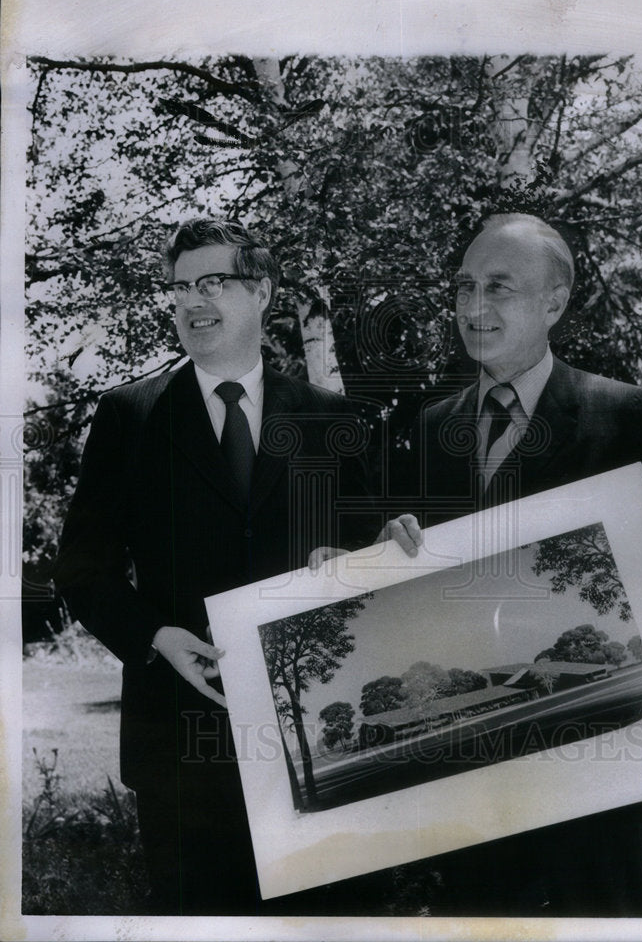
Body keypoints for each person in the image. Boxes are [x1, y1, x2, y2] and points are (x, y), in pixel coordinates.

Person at [389, 211, 642, 916]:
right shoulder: (432, 429)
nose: (473, 307)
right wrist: (395, 546)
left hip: (601, 744)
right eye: (465, 287)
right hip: (476, 759)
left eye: (499, 288)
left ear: (554, 301)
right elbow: (425, 579)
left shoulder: (622, 413)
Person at [52, 218, 388, 914]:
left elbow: (368, 558)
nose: (191, 303)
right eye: (179, 288)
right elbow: (83, 571)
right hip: (181, 754)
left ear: (262, 291)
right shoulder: (129, 417)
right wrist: (155, 638)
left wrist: (370, 557)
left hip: (320, 745)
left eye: (213, 283)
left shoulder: (333, 420)